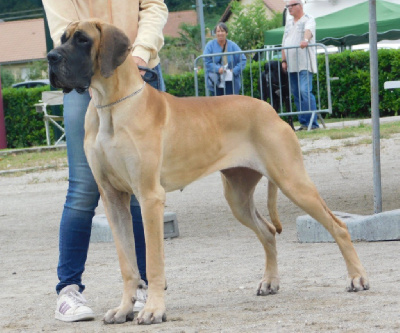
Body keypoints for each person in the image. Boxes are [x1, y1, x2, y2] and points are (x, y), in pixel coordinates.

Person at [42, 0, 168, 322]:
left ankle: (145, 290)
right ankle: (68, 289)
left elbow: (153, 6)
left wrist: (141, 52)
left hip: (136, 69)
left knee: (144, 194)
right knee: (83, 190)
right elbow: (63, 27)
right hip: (87, 77)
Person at [282, 0, 319, 130]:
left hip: (304, 64)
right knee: (296, 93)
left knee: (305, 91)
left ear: (299, 6)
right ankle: (304, 122)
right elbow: (284, 43)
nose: (289, 9)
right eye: (287, 7)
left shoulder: (308, 19)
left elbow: (308, 31)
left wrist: (305, 40)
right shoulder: (288, 23)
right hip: (292, 65)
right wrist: (284, 60)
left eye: (291, 6)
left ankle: (313, 123)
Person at [203, 22, 247, 96]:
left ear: (226, 33)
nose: (220, 33)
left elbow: (243, 60)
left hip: (231, 80)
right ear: (215, 33)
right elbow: (206, 61)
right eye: (218, 31)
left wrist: (234, 71)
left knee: (231, 103)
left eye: (222, 31)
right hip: (216, 80)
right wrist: (217, 69)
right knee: (217, 104)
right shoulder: (210, 45)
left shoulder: (233, 45)